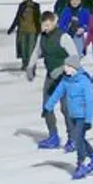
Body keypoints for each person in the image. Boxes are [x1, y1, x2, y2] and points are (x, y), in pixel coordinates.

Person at [29, 11, 80, 151]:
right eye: (42, 25)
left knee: (66, 109)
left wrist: (63, 68)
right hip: (51, 77)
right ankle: (53, 137)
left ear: (54, 23)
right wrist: (30, 66)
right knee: (47, 107)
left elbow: (75, 57)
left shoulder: (63, 37)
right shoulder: (42, 37)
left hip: (66, 78)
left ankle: (73, 138)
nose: (44, 28)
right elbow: (36, 52)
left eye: (47, 25)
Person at [43, 63, 93, 179]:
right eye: (65, 67)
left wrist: (88, 121)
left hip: (83, 116)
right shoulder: (66, 81)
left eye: (68, 67)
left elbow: (89, 102)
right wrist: (47, 108)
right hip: (73, 115)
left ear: (74, 68)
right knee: (80, 138)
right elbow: (57, 94)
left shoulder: (84, 81)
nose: (65, 69)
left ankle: (81, 164)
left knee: (78, 139)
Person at [7, 0, 42, 70]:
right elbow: (17, 17)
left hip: (32, 31)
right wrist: (11, 28)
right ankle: (24, 64)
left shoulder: (35, 6)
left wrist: (40, 30)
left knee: (30, 49)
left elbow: (38, 19)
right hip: (22, 30)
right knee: (23, 49)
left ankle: (31, 64)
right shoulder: (21, 5)